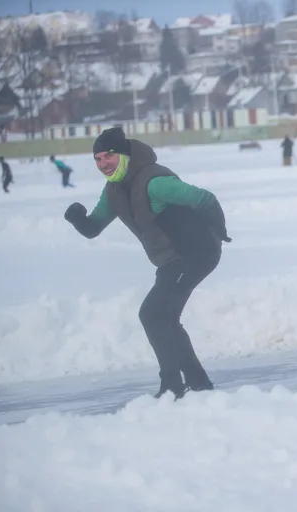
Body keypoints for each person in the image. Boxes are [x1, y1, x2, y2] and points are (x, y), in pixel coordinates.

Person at [63, 127, 231, 399]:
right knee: (163, 316)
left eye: (109, 156)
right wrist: (78, 219)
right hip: (170, 260)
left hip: (194, 254)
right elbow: (94, 227)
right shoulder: (114, 191)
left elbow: (205, 199)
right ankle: (198, 382)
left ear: (125, 155)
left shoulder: (153, 182)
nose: (103, 163)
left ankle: (172, 385)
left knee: (153, 314)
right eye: (97, 159)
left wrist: (218, 232)